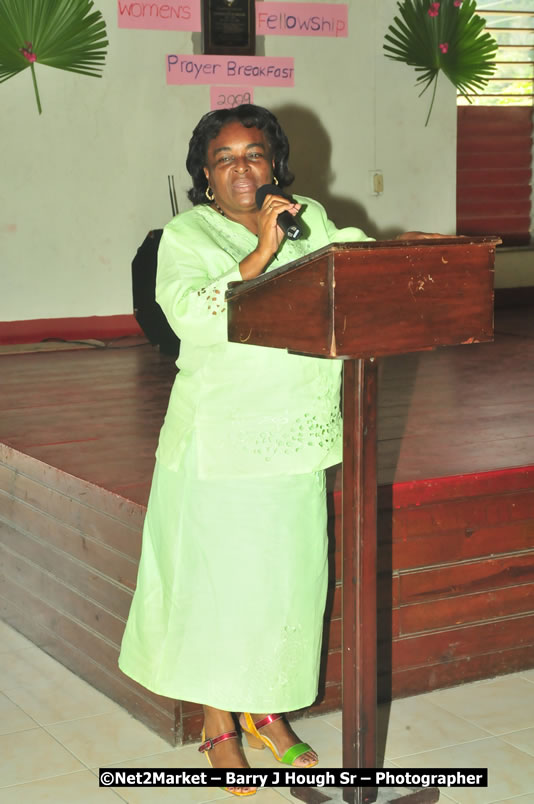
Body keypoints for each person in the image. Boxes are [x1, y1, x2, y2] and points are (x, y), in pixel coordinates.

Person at [118, 104, 375, 796]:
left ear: (274, 164)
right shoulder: (187, 233)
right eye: (225, 158)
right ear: (205, 173)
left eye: (253, 155)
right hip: (218, 446)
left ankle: (265, 708)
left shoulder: (309, 217)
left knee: (281, 587)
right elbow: (194, 317)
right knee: (216, 592)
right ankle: (218, 726)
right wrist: (261, 249)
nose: (241, 169)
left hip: (292, 437)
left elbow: (357, 262)